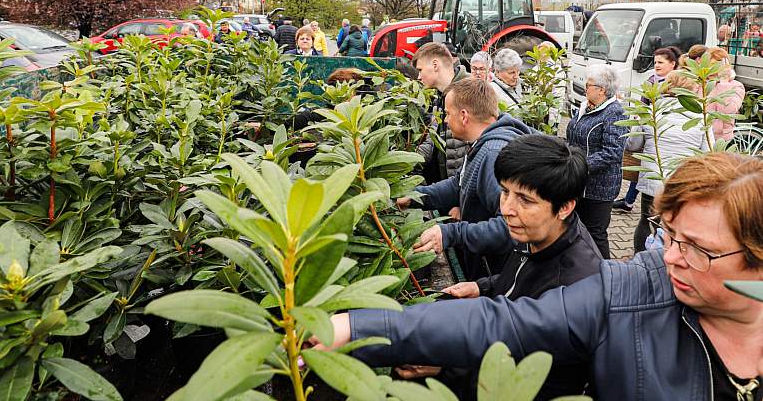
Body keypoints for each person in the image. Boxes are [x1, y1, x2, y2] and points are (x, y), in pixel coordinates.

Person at [325, 152, 763, 401]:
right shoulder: (631, 292)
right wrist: (355, 326)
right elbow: (507, 321)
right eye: (667, 235)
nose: (669, 257)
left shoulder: (577, 269)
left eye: (696, 249)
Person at [401, 134, 602, 400]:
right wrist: (482, 287)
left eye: (525, 200)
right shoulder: (540, 234)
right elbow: (521, 280)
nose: (506, 208)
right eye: (505, 191)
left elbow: (532, 383)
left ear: (564, 207)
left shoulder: (575, 289)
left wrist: (445, 367)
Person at [397, 78, 532, 281]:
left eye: (448, 114)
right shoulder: (481, 144)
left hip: (496, 274)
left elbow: (510, 228)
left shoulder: (493, 154)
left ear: (463, 116)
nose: (445, 120)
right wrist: (415, 197)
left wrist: (452, 233)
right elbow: (458, 184)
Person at [627, 71, 712, 252]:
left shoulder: (650, 112)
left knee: (646, 221)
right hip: (682, 182)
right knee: (676, 225)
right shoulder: (701, 117)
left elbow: (632, 144)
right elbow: (707, 154)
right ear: (690, 89)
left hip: (653, 178)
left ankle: (640, 260)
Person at [566, 64, 627, 258]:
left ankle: (606, 275)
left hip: (600, 187)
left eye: (589, 85)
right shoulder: (586, 107)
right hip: (579, 182)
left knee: (595, 233)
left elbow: (613, 152)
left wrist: (580, 165)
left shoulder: (614, 112)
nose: (585, 88)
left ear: (601, 90)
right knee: (577, 230)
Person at [613, 46, 681, 213]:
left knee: (649, 168)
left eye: (661, 62)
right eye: (655, 61)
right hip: (648, 128)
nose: (657, 65)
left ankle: (633, 202)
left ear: (672, 64)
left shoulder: (677, 83)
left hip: (664, 132)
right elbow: (643, 103)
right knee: (643, 166)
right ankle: (629, 201)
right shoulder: (651, 80)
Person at [413, 42, 471, 182]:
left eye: (420, 70)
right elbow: (433, 142)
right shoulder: (440, 97)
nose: (419, 77)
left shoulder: (470, 94)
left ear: (435, 65)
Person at [706, 47, 745, 143]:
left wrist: (723, 83)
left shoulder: (736, 86)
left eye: (715, 65)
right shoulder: (700, 83)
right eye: (709, 64)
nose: (711, 69)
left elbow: (728, 111)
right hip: (698, 133)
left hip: (719, 138)